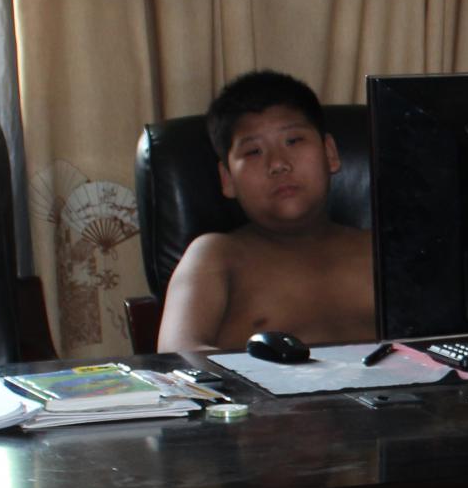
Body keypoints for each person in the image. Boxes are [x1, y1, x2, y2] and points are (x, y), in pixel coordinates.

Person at [155, 69, 377, 354]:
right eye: (253, 152)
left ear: (330, 153)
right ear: (227, 178)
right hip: (256, 385)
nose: (278, 164)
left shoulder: (382, 250)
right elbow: (178, 354)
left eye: (293, 141)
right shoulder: (216, 254)